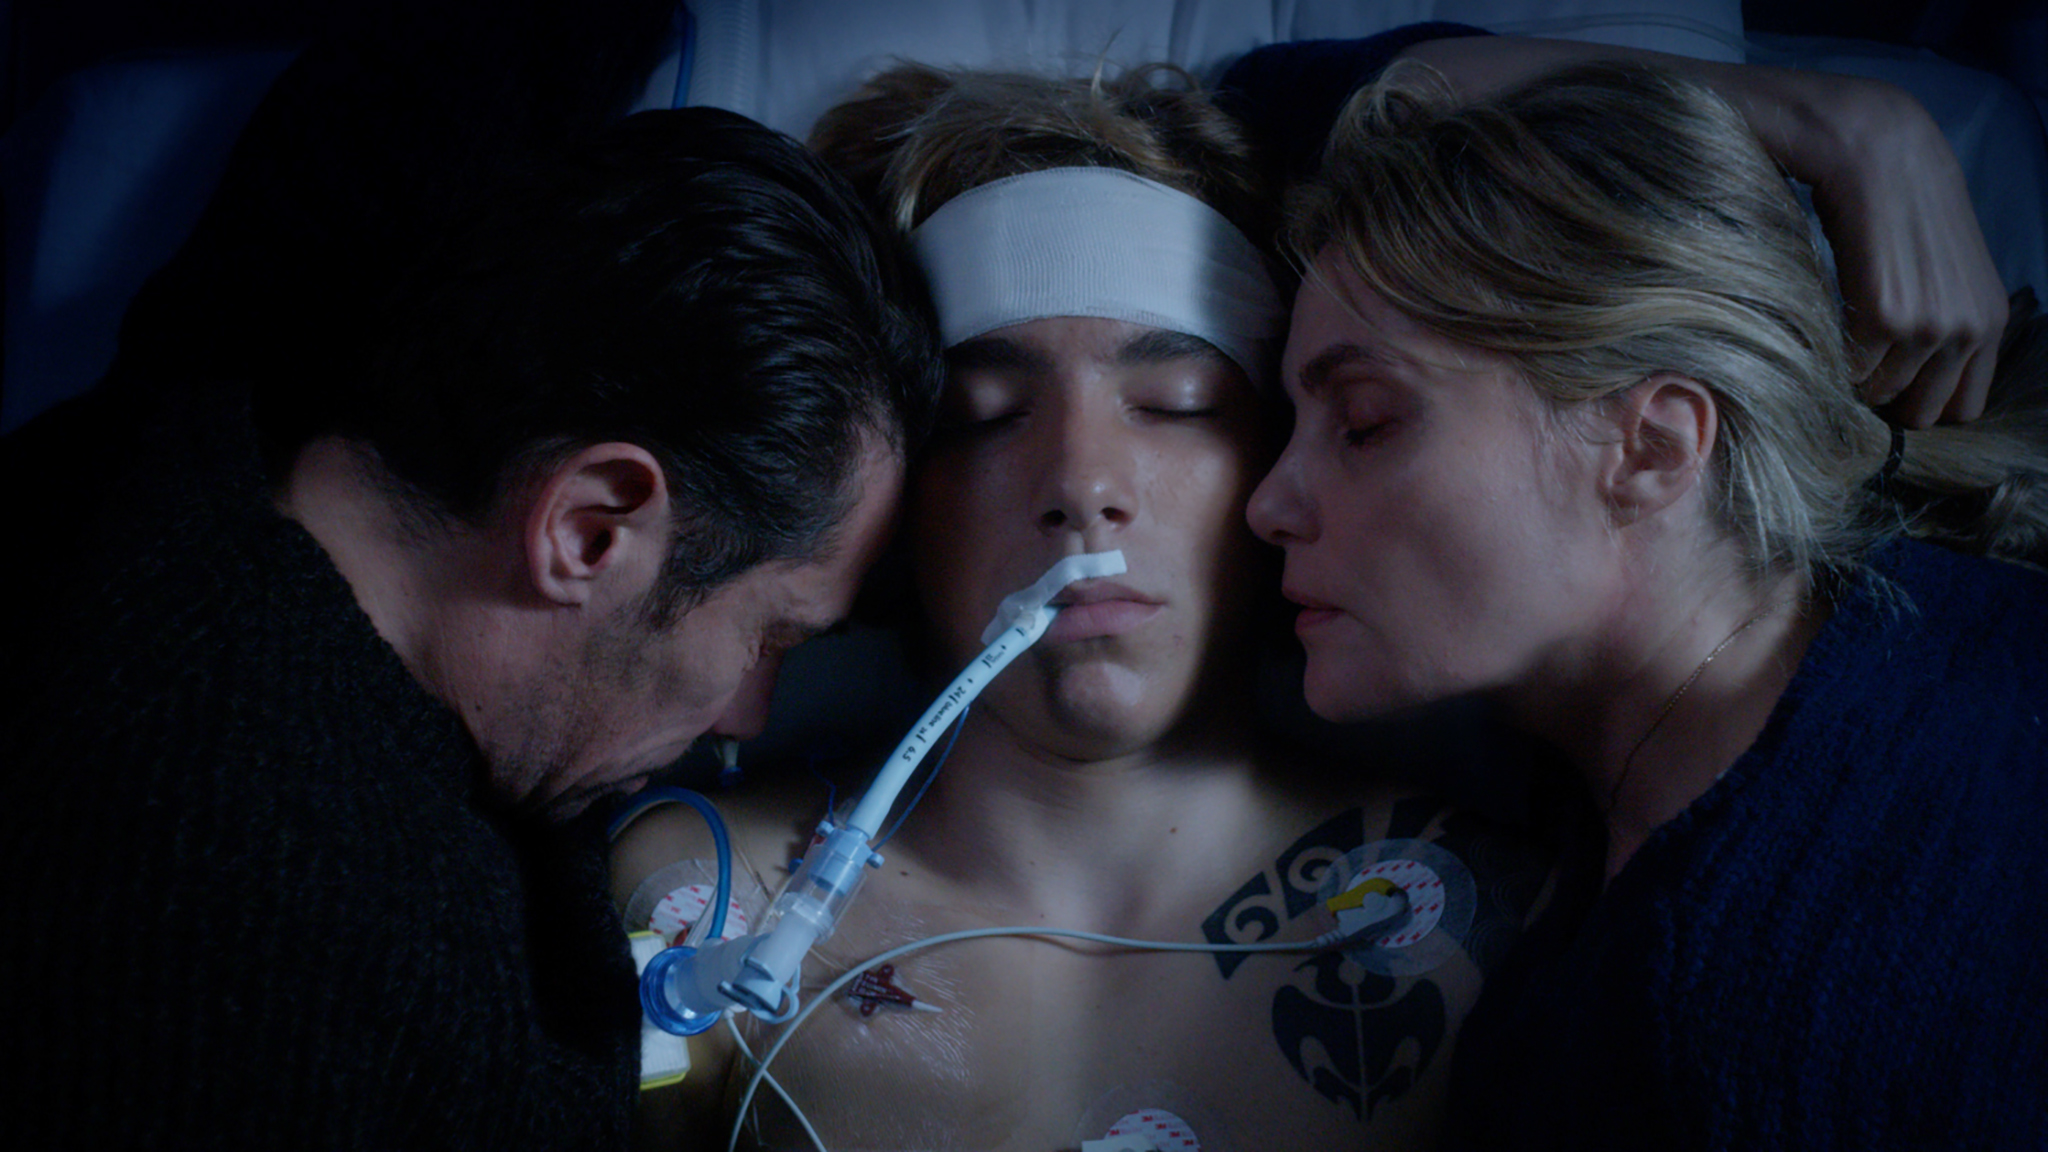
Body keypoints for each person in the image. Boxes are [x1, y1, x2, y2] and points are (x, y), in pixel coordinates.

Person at [609, 60, 1570, 1152]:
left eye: (1176, 404)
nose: (1079, 481)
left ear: (1281, 466)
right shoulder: (697, 909)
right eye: (984, 415)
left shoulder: (1481, 920)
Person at [0, 106, 939, 1148]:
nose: (746, 717)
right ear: (590, 532)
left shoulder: (137, 446)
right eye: (774, 636)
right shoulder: (315, 961)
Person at [1247, 60, 2048, 1149]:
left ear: (1652, 448)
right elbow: (1269, 98)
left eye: (1364, 424)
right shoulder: (1920, 636)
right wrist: (1829, 119)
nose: (1267, 503)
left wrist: (1840, 122)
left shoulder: (1712, 1032)